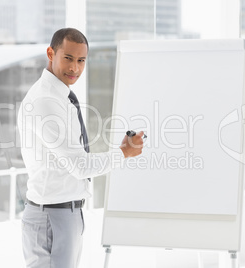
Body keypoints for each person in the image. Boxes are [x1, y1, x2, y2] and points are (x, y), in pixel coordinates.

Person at [17, 28, 144, 268]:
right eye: (68, 58)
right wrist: (123, 153)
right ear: (50, 53)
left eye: (81, 60)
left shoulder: (61, 98)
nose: (74, 68)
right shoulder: (46, 101)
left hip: (64, 213)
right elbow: (78, 166)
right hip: (52, 216)